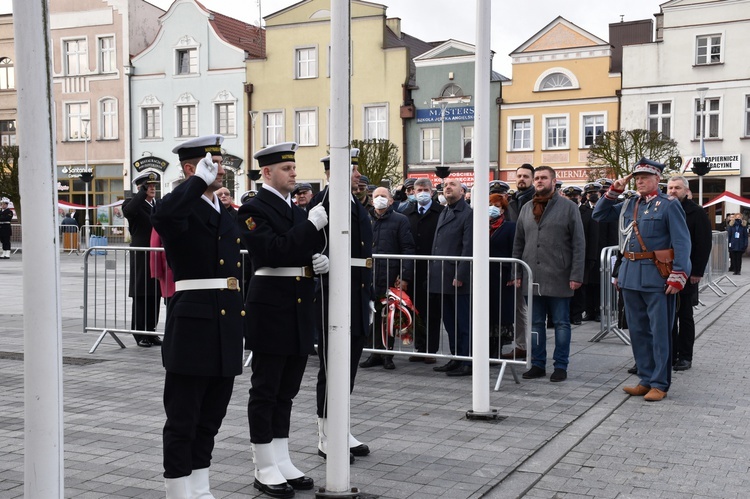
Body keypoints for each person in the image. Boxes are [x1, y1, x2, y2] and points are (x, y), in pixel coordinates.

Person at [151, 134, 245, 497]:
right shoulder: (182, 206)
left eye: (220, 162)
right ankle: (177, 490)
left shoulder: (222, 211)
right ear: (191, 168)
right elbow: (161, 215)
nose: (219, 168)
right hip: (193, 324)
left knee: (211, 417)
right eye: (211, 163)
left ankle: (200, 486)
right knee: (183, 418)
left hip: (225, 324)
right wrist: (194, 184)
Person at [238, 142, 328, 497]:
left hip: (298, 306)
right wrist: (311, 228)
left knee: (287, 391)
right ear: (267, 173)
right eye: (286, 168)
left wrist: (319, 259)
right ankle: (263, 464)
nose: (294, 173)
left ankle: (281, 457)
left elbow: (300, 248)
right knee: (266, 389)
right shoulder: (252, 209)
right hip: (271, 308)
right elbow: (272, 252)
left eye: (293, 167)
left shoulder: (295, 209)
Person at [593, 158, 691, 402]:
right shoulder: (629, 204)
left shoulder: (668, 205)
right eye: (637, 177)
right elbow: (599, 214)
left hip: (657, 277)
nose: (640, 181)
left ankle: (660, 383)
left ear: (658, 179)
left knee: (659, 333)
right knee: (638, 331)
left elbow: (681, 241)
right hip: (630, 275)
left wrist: (679, 274)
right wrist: (614, 190)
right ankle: (645, 379)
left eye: (645, 177)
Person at [308, 149, 373, 462]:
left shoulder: (353, 203)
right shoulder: (323, 204)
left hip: (356, 295)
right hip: (332, 294)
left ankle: (341, 427)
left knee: (348, 366)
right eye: (352, 169)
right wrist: (314, 259)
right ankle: (325, 434)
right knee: (331, 367)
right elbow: (307, 241)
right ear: (334, 172)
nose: (358, 175)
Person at [513, 166, 584, 383]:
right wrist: (516, 272)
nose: (540, 181)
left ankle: (560, 366)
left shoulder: (568, 207)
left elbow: (578, 243)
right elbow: (519, 242)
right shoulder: (526, 208)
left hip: (560, 275)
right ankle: (537, 364)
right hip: (531, 275)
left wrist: (576, 275)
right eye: (537, 178)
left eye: (544, 177)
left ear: (554, 181)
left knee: (562, 323)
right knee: (535, 324)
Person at [360, 187, 415, 370]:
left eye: (383, 196)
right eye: (376, 196)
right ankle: (374, 352)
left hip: (390, 275)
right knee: (372, 315)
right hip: (369, 275)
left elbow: (408, 249)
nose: (379, 199)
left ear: (391, 200)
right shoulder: (365, 218)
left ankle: (387, 355)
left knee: (388, 316)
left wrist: (404, 276)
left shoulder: (400, 220)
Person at [667, 176, 712, 372]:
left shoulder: (697, 212)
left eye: (677, 187)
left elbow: (703, 243)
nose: (672, 191)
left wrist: (696, 272)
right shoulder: (664, 208)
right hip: (664, 271)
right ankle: (669, 354)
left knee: (684, 315)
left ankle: (685, 356)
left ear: (686, 190)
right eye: (670, 187)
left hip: (687, 271)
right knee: (666, 317)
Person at [430, 178, 474, 377]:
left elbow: (469, 247)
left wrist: (461, 273)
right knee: (449, 321)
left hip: (457, 277)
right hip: (441, 275)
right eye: (445, 186)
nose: (447, 187)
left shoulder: (468, 214)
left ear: (463, 191)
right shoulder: (445, 211)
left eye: (452, 185)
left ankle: (467, 360)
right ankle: (456, 357)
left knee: (463, 321)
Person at [403, 178, 444, 363]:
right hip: (413, 269)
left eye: (425, 189)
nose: (422, 192)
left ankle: (431, 349)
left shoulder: (441, 212)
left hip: (433, 268)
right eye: (418, 189)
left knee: (432, 311)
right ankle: (419, 347)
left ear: (432, 191)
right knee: (415, 310)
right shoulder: (406, 213)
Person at [122, 171, 163, 347]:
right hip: (142, 255)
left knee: (155, 293)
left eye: (154, 186)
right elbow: (129, 212)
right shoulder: (133, 203)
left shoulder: (157, 204)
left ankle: (151, 331)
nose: (153, 189)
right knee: (141, 293)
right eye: (149, 186)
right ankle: (140, 333)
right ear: (140, 187)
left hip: (156, 253)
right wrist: (141, 193)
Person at [488, 193, 516, 358]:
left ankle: (496, 349)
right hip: (485, 275)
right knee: (486, 311)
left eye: (497, 206)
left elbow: (514, 250)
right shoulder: (479, 225)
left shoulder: (510, 227)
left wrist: (513, 273)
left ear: (503, 209)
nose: (492, 208)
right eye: (491, 204)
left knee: (499, 312)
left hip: (502, 276)